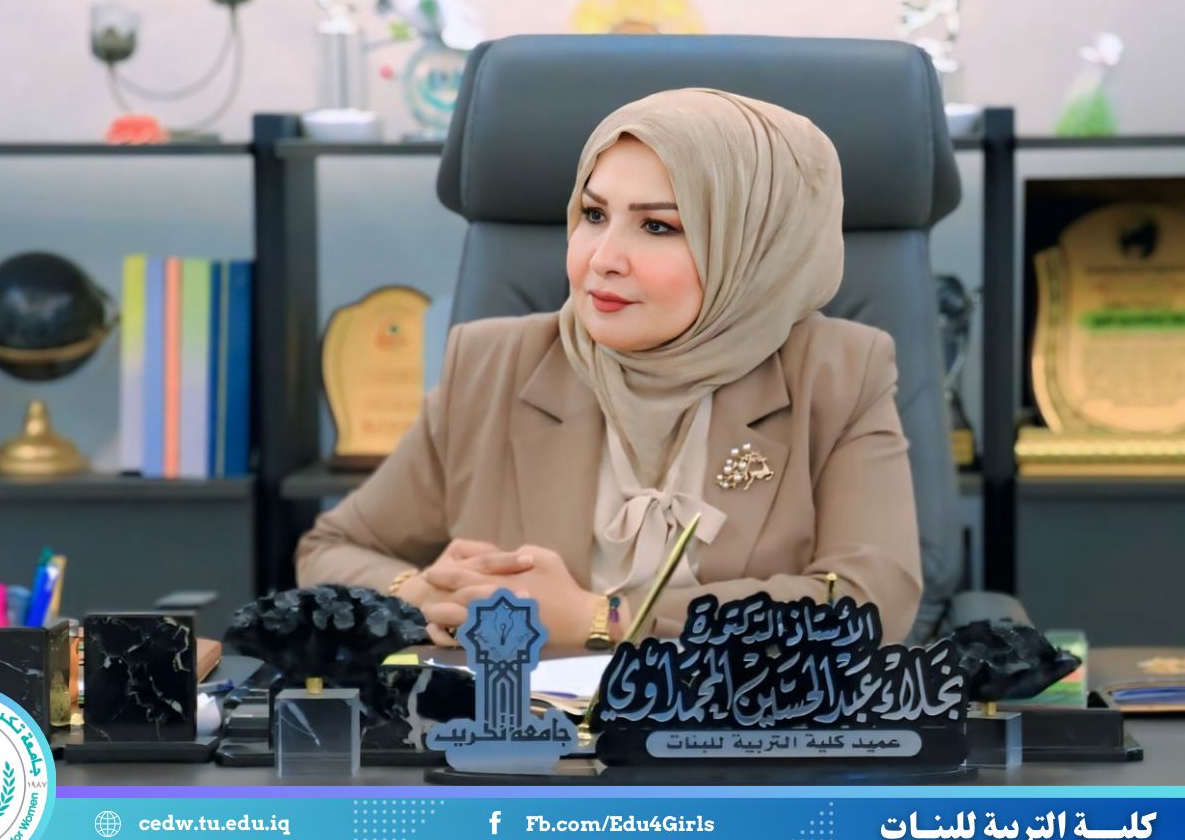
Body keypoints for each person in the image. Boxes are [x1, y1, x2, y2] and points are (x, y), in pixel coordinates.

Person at [296, 87, 922, 648]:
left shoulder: (838, 374)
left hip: (739, 731)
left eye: (657, 226)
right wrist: (420, 590)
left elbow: (871, 602)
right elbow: (331, 550)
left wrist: (606, 618)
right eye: (593, 215)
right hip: (523, 731)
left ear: (754, 248)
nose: (602, 259)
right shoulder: (492, 366)